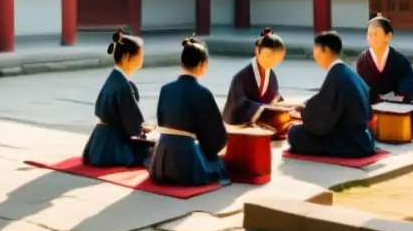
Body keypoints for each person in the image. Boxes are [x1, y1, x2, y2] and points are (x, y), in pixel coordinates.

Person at [148, 37, 230, 186]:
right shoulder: (203, 93)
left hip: (161, 157)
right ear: (202, 64)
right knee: (219, 164)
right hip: (187, 159)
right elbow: (217, 135)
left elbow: (162, 121)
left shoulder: (165, 89)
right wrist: (206, 148)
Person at [286, 31, 375, 158]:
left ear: (325, 50)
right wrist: (306, 107)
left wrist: (303, 113)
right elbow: (328, 102)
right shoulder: (347, 72)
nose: (314, 56)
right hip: (364, 137)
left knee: (295, 133)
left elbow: (325, 113)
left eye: (315, 50)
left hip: (351, 141)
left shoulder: (337, 75)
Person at [82, 29, 154, 167]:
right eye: (140, 56)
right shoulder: (123, 85)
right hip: (113, 147)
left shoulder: (114, 78)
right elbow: (135, 128)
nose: (142, 59)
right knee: (156, 149)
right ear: (127, 57)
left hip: (99, 142)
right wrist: (153, 137)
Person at [222, 27, 294, 137]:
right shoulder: (242, 76)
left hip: (261, 121)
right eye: (269, 56)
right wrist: (262, 109)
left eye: (277, 58)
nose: (272, 61)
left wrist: (289, 109)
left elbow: (274, 99)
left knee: (287, 119)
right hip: (239, 123)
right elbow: (237, 104)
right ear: (257, 51)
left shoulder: (272, 76)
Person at [356, 14, 413, 104]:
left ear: (388, 36)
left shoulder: (400, 61)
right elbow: (360, 89)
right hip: (371, 109)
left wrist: (394, 96)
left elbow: (412, 90)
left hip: (396, 108)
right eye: (369, 35)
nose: (372, 38)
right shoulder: (363, 60)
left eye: (376, 34)